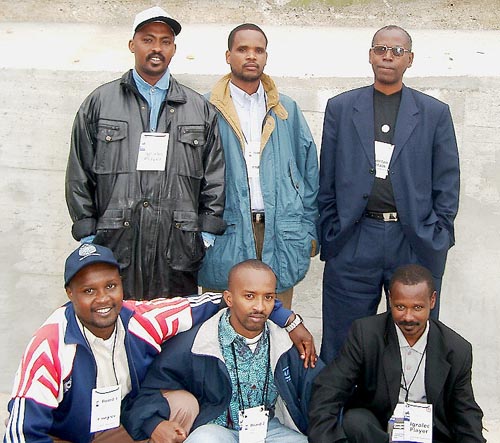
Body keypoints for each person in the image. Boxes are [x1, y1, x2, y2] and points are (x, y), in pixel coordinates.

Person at [3, 245, 313, 443]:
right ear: (70, 294)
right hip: (68, 437)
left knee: (183, 405)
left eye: (110, 286)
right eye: (88, 291)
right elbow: (20, 432)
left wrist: (288, 319)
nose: (102, 299)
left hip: (121, 427)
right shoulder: (50, 344)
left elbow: (227, 299)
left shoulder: (144, 320)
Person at [318, 25, 460, 362]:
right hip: (353, 238)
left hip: (412, 240)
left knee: (414, 342)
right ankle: (338, 415)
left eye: (397, 51)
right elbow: (328, 177)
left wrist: (437, 234)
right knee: (343, 339)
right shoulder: (341, 107)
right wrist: (331, 228)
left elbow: (448, 181)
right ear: (370, 55)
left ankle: (410, 411)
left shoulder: (434, 113)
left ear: (409, 60)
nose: (387, 56)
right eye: (381, 49)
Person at [65, 6, 226, 300]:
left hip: (177, 247)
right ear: (132, 45)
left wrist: (205, 233)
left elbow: (214, 174)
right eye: (148, 39)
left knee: (172, 334)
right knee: (120, 333)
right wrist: (89, 232)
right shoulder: (100, 103)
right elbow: (79, 170)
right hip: (115, 243)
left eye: (165, 41)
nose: (157, 48)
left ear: (174, 49)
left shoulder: (198, 109)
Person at [122, 260, 324, 442]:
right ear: (229, 298)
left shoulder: (287, 345)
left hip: (271, 429)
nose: (260, 306)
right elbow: (149, 390)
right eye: (249, 296)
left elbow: (322, 390)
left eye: (268, 297)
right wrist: (153, 424)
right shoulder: (197, 343)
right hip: (216, 430)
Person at [198, 23, 319, 310]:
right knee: (219, 330)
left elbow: (309, 173)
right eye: (243, 49)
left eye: (258, 50)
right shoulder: (204, 109)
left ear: (266, 56)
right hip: (226, 232)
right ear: (228, 56)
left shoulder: (286, 110)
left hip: (281, 233)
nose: (251, 56)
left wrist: (309, 233)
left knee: (278, 328)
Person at [308, 264, 485, 443]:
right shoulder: (365, 333)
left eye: (417, 308)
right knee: (355, 421)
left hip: (430, 433)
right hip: (379, 430)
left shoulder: (456, 349)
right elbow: (330, 387)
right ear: (390, 298)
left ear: (432, 301)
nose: (408, 317)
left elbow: (465, 412)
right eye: (400, 307)